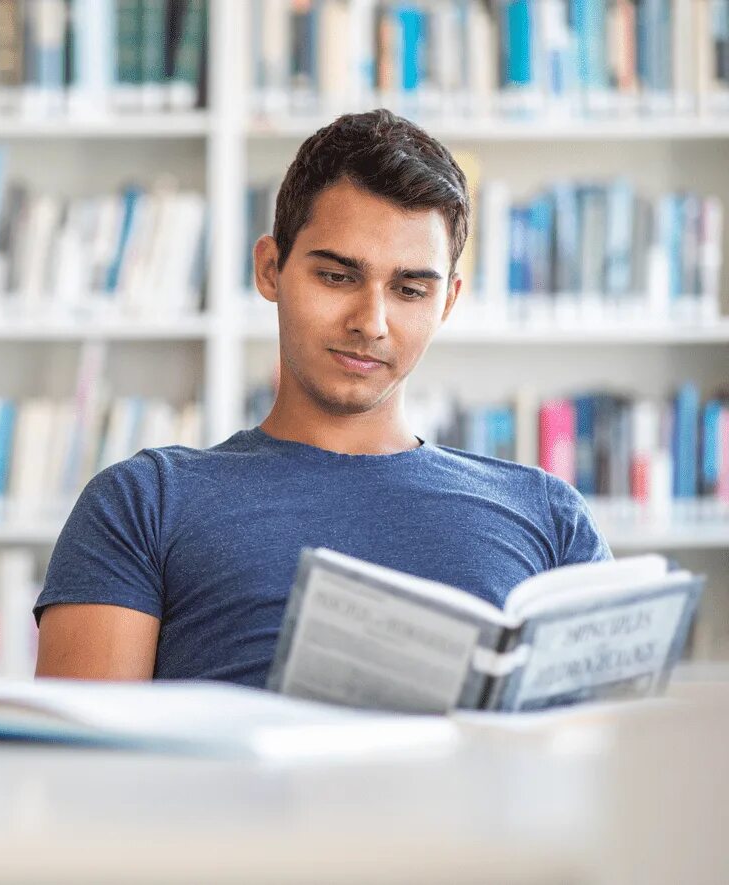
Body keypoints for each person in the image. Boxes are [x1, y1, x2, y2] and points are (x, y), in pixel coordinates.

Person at [34, 109, 611, 683]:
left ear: (448, 303)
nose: (372, 322)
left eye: (410, 289)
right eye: (337, 277)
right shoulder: (144, 504)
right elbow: (86, 767)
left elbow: (611, 755)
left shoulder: (546, 516)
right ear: (270, 269)